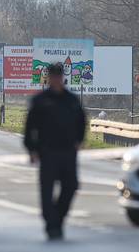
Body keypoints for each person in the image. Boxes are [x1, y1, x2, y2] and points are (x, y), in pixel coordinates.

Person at [23, 62, 87, 241]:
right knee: (47, 190)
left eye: (59, 76)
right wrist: (32, 150)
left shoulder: (71, 100)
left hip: (68, 152)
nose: (56, 80)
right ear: (49, 78)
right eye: (53, 77)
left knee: (71, 186)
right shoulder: (41, 101)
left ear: (63, 78)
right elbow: (30, 128)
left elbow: (82, 121)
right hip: (48, 151)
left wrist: (79, 141)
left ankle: (58, 218)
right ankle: (51, 225)